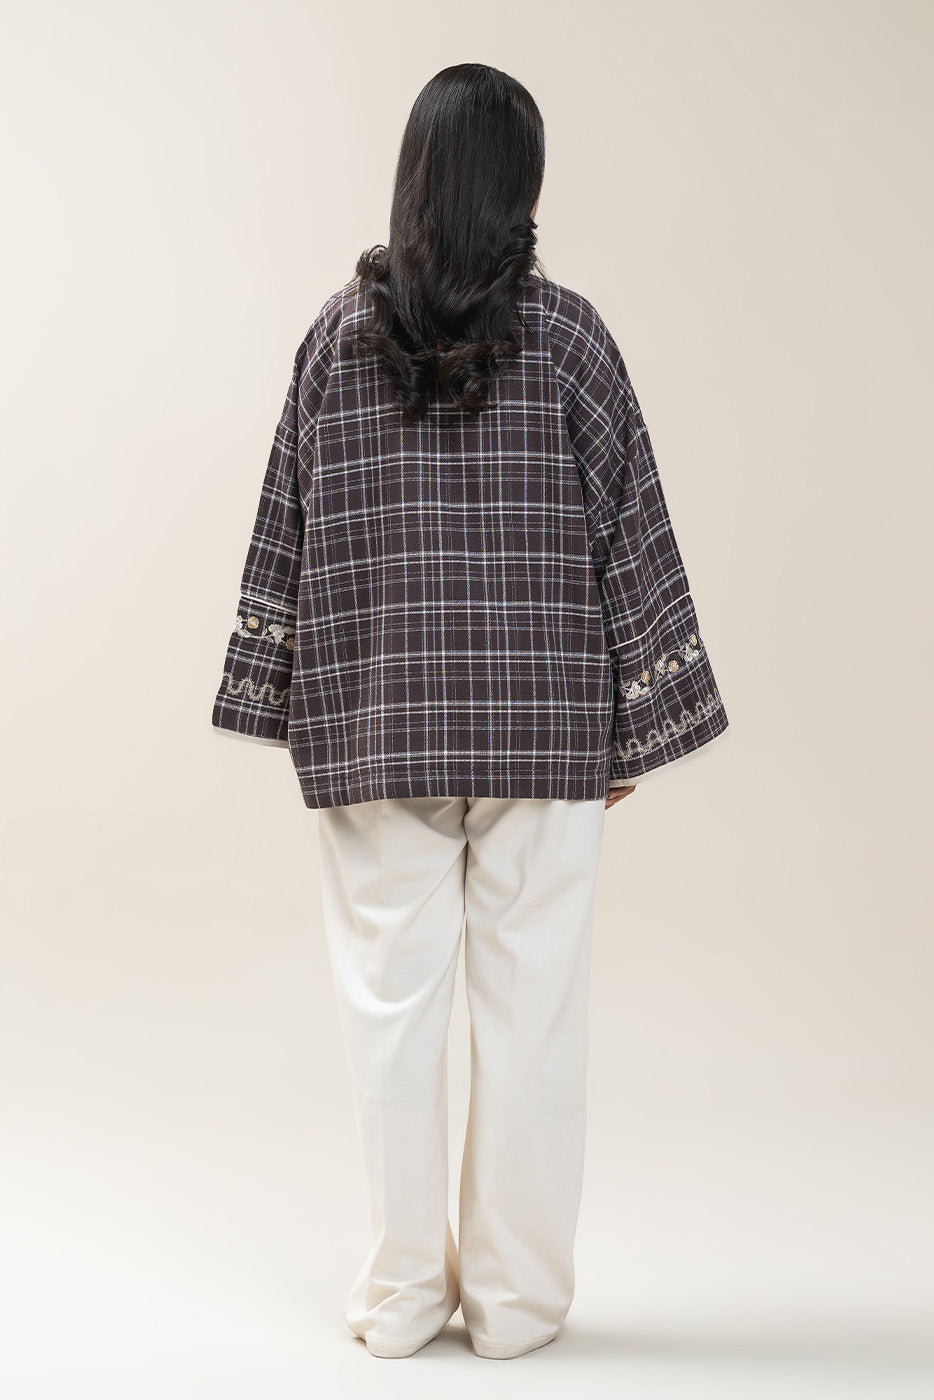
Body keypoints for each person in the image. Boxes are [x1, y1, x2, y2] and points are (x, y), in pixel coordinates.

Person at [211, 62, 730, 1360]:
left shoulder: (336, 338)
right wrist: (636, 724)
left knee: (387, 1025)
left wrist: (287, 702)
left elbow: (287, 524)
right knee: (533, 1021)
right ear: (522, 188)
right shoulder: (572, 339)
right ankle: (515, 1307)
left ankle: (399, 1301)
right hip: (545, 728)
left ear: (414, 174)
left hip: (377, 724)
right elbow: (631, 531)